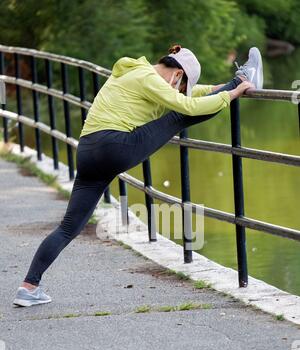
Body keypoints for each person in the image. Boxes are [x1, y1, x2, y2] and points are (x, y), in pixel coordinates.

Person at [13, 45, 263, 307]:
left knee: (67, 228)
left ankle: (29, 287)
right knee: (180, 115)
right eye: (182, 85)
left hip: (88, 151)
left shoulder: (135, 74)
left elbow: (193, 94)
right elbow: (188, 105)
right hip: (115, 146)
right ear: (177, 75)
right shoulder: (149, 79)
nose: (179, 91)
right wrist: (233, 91)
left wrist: (218, 88)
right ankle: (244, 78)